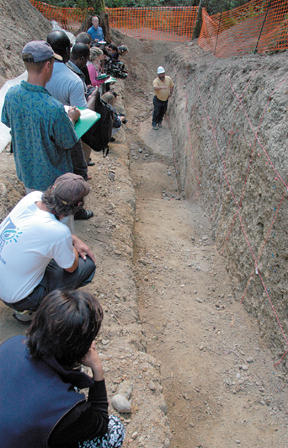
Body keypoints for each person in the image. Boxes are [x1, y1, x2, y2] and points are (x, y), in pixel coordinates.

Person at [0, 289, 125, 448]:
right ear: (79, 348)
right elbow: (100, 423)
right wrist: (97, 372)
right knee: (115, 429)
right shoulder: (67, 410)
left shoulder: (14, 343)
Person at [0, 173, 96, 322]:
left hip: (4, 283)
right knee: (87, 264)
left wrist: (73, 239)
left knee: (49, 252)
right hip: (17, 298)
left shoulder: (33, 197)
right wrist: (73, 246)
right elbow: (71, 267)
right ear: (77, 205)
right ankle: (32, 310)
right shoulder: (58, 232)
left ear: (53, 188)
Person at [1, 40, 87, 192]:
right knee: (58, 215)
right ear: (48, 66)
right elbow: (67, 141)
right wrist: (72, 118)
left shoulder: (11, 95)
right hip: (53, 181)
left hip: (27, 175)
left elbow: (8, 121)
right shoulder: (53, 108)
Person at [152, 66, 174, 130]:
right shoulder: (156, 81)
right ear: (158, 74)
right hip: (157, 100)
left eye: (163, 74)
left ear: (164, 73)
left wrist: (171, 93)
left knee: (162, 112)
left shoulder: (168, 79)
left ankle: (159, 122)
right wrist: (162, 87)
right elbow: (155, 87)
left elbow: (172, 85)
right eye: (160, 74)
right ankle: (154, 123)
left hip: (165, 100)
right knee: (156, 112)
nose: (162, 75)